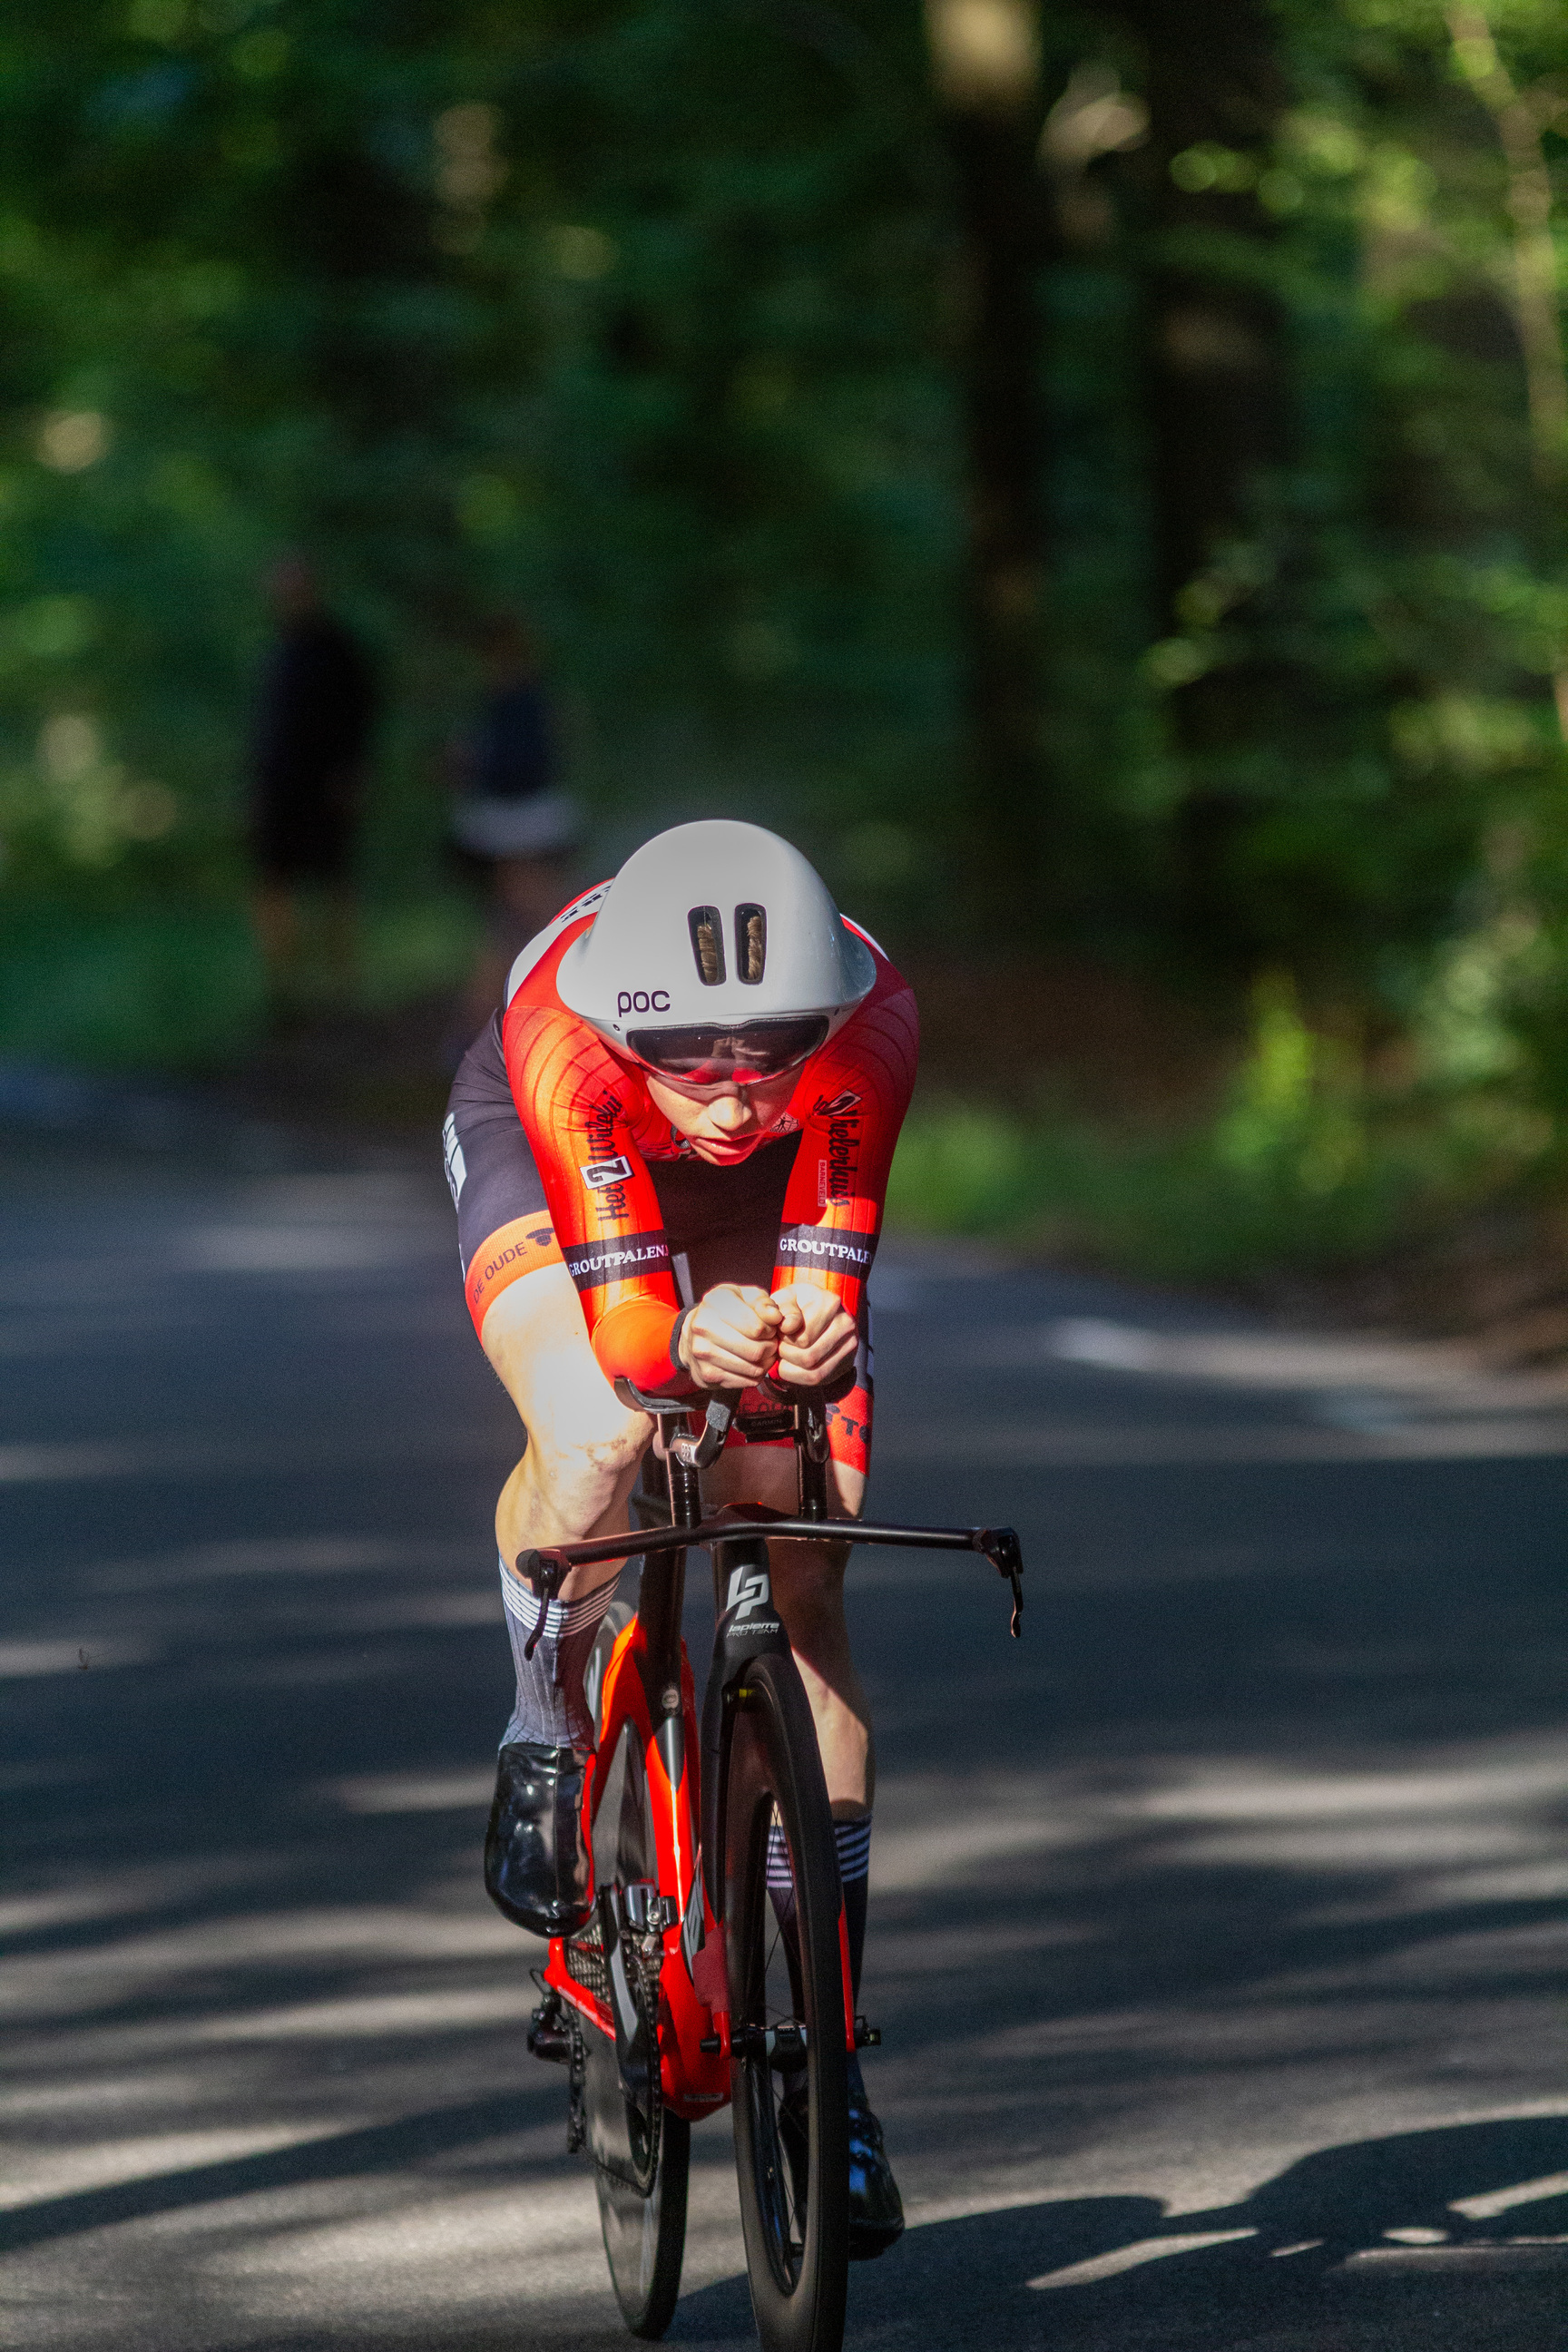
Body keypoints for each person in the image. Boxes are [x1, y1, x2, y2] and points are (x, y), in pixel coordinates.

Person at [442, 818, 917, 2258]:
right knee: (597, 1434)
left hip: (769, 1201)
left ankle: (829, 2064)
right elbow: (635, 1325)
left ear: (822, 1016)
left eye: (770, 1047)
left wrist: (809, 1335)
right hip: (560, 1164)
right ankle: (543, 1722)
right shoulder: (572, 1040)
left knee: (801, 1539)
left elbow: (830, 1251)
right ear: (633, 1031)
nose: (729, 1090)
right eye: (694, 1058)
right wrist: (685, 1337)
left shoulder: (871, 1026)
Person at [445, 612, 583, 1051]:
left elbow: (523, 769)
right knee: (521, 929)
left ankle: (488, 1032)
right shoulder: (508, 702)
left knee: (535, 929)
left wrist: (473, 762)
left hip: (524, 834)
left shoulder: (522, 703)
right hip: (515, 834)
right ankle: (488, 1032)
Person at [248, 555, 377, 995]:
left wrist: (352, 775)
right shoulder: (279, 648)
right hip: (279, 787)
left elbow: (361, 716)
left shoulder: (337, 647)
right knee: (274, 880)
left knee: (334, 882)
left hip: (324, 790)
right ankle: (283, 984)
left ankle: (341, 979)